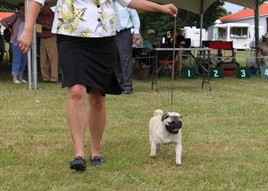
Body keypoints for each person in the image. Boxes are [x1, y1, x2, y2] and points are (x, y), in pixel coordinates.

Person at [19, 0, 177, 171]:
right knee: (76, 90)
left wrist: (161, 7)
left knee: (98, 97)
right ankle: (78, 154)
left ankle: (95, 151)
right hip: (71, 35)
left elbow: (129, 1)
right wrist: (28, 30)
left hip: (103, 37)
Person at [115, 3, 140, 94]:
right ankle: (118, 85)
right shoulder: (108, 2)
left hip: (124, 32)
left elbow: (135, 16)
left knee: (125, 59)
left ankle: (127, 86)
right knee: (114, 60)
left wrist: (136, 32)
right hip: (110, 32)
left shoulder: (126, 1)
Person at [1, 3, 28, 84]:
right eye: (22, 9)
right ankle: (14, 77)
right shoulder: (15, 17)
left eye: (25, 9)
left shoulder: (28, 18)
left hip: (26, 42)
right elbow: (3, 21)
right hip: (16, 42)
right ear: (19, 10)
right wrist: (9, 27)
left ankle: (20, 77)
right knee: (17, 59)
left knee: (24, 60)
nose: (23, 11)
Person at [36, 2, 58, 83]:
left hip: (51, 38)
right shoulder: (40, 15)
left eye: (43, 8)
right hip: (42, 38)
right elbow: (37, 27)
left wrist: (43, 26)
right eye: (41, 8)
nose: (42, 10)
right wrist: (39, 30)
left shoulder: (54, 15)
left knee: (53, 59)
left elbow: (55, 27)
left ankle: (54, 78)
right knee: (43, 59)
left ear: (48, 7)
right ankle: (45, 78)